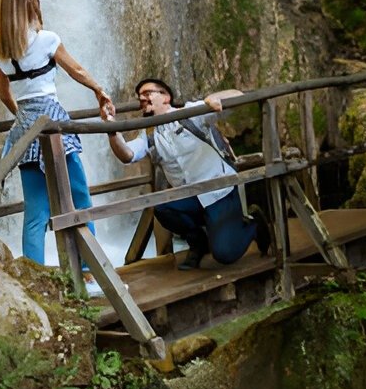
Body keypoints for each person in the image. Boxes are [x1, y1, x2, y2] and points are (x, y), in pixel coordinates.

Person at [0, 0, 113, 265]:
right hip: (54, 123)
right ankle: (89, 269)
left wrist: (24, 117)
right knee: (79, 197)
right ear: (30, 6)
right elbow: (77, 70)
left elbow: (3, 93)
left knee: (35, 212)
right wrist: (99, 90)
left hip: (25, 128)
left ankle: (35, 276)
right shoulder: (47, 39)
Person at [105, 77, 268, 270]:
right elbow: (127, 155)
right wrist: (111, 129)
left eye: (148, 93)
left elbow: (237, 95)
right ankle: (198, 244)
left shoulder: (191, 113)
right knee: (162, 208)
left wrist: (212, 99)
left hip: (219, 191)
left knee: (225, 255)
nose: (142, 98)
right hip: (190, 197)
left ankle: (255, 224)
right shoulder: (150, 135)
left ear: (166, 97)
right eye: (139, 96)